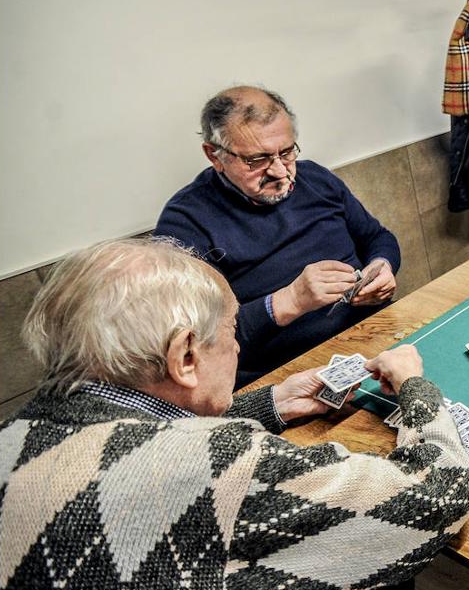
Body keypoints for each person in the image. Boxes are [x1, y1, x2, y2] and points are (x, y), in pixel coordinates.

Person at [0, 237, 469, 590]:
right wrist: (414, 385)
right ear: (185, 356)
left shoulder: (9, 434)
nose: (238, 346)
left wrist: (273, 403)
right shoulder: (219, 462)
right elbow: (441, 499)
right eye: (230, 330)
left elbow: (127, 441)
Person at [156, 86, 401, 387]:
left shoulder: (316, 178)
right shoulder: (184, 222)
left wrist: (382, 266)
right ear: (214, 156)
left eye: (286, 153)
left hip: (374, 330)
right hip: (285, 375)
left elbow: (378, 237)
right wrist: (290, 300)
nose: (279, 172)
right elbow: (196, 342)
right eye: (256, 160)